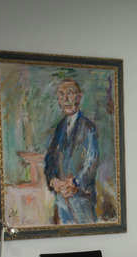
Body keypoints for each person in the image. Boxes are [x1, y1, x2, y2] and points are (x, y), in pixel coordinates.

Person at [44, 78, 99, 224]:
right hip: (62, 199)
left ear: (79, 97)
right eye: (61, 94)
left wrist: (75, 182)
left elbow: (92, 161)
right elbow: (50, 159)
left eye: (70, 93)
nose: (66, 98)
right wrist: (52, 180)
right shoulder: (59, 128)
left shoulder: (88, 127)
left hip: (82, 198)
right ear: (58, 100)